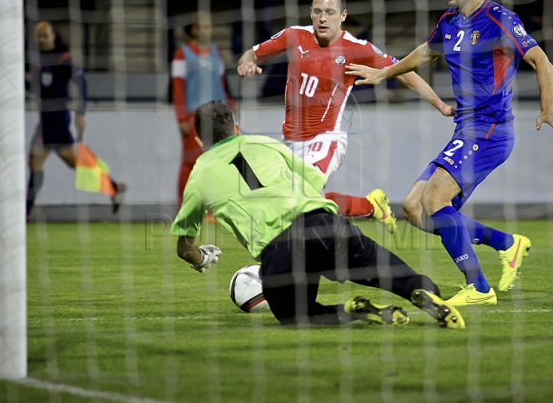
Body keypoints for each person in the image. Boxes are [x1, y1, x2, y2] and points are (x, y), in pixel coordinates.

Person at [346, 0, 553, 307]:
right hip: (465, 130)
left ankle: (479, 288)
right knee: (413, 209)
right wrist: (384, 72)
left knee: (435, 199)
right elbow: (425, 52)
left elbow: (542, 61)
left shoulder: (499, 19)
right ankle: (506, 244)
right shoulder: (450, 22)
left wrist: (548, 108)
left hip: (490, 129)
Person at [171, 100, 464, 328]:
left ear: (199, 142)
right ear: (236, 129)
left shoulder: (198, 175)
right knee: (377, 265)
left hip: (280, 253)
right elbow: (313, 180)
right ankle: (422, 290)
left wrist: (200, 259)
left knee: (293, 315)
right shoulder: (263, 143)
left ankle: (350, 312)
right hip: (324, 225)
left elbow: (184, 247)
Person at [237, 0, 455, 234]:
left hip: (325, 139)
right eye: (317, 11)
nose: (322, 18)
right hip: (290, 142)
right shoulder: (294, 36)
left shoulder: (356, 48)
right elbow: (252, 54)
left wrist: (439, 104)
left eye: (330, 12)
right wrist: (246, 64)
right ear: (310, 13)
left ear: (343, 15)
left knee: (302, 198)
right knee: (302, 205)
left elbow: (404, 72)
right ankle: (370, 206)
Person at [26, 21, 126, 220]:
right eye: (38, 36)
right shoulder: (35, 59)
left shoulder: (64, 58)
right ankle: (114, 187)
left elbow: (81, 84)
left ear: (54, 35)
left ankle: (25, 214)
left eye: (44, 35)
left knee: (36, 161)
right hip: (46, 118)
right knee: (74, 162)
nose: (41, 39)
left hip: (56, 119)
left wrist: (80, 113)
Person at [171, 12, 235, 209]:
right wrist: (181, 116)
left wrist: (230, 103)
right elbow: (177, 87)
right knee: (192, 162)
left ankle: (214, 208)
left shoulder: (217, 53)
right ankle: (185, 207)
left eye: (208, 26)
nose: (206, 30)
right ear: (194, 30)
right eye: (201, 26)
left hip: (219, 114)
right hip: (194, 115)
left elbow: (221, 83)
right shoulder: (182, 54)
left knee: (220, 162)